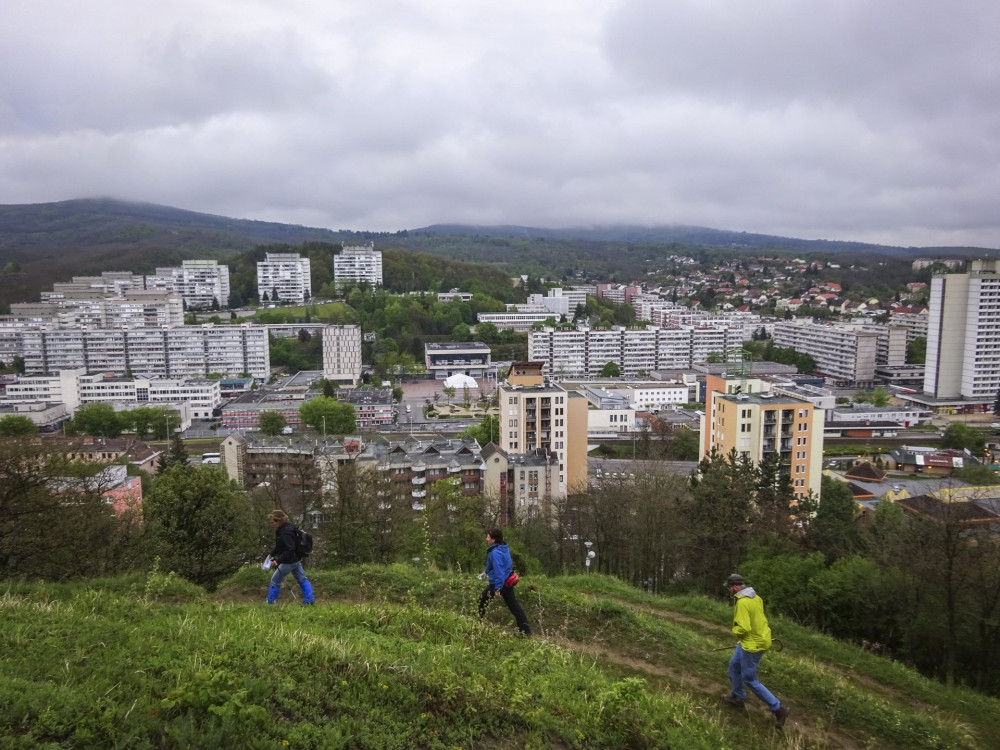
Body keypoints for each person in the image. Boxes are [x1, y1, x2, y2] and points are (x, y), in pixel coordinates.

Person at [723, 573, 789, 729]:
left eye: (730, 588)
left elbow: (743, 628)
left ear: (736, 587)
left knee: (750, 679)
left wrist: (735, 629)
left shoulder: (743, 603)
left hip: (753, 645)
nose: (729, 590)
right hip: (752, 640)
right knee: (734, 666)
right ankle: (738, 697)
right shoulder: (755, 597)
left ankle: (779, 709)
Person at [477, 528, 531, 636]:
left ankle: (478, 624)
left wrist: (498, 589)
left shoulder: (495, 553)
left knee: (482, 600)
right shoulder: (503, 548)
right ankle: (526, 631)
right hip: (507, 581)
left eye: (488, 536)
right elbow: (494, 565)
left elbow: (499, 571)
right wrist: (485, 572)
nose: (486, 538)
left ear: (493, 539)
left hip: (501, 583)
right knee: (514, 606)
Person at [266, 509, 315, 605]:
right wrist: (271, 554)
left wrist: (278, 560)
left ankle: (270, 603)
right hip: (296, 559)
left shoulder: (284, 532)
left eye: (273, 522)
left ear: (278, 521)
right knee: (302, 579)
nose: (271, 524)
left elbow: (289, 548)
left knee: (275, 581)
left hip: (289, 561)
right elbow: (280, 546)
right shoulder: (289, 527)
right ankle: (309, 600)